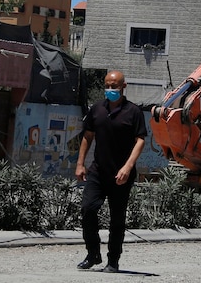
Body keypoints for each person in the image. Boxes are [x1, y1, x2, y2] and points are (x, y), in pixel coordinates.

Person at [75, 70, 147, 273]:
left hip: (121, 175)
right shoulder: (97, 109)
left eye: (114, 86)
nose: (110, 89)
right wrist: (80, 164)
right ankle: (93, 253)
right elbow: (88, 136)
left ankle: (113, 260)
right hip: (98, 171)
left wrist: (128, 166)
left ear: (123, 87)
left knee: (117, 219)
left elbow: (140, 140)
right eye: (107, 85)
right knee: (88, 209)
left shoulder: (133, 112)